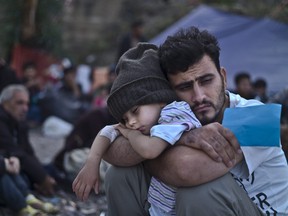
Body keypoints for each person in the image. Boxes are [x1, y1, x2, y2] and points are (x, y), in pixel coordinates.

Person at [73, 27, 288, 215]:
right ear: (170, 91)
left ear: (223, 77)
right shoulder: (174, 114)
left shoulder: (258, 118)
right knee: (121, 174)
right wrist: (184, 138)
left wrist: (153, 147)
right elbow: (112, 149)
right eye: (185, 87)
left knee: (201, 191)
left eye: (206, 81)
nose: (199, 96)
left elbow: (185, 170)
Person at [73, 43, 202, 215]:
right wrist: (92, 163)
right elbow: (108, 131)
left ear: (160, 97)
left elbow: (150, 150)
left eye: (135, 111)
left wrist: (129, 133)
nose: (131, 123)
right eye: (125, 119)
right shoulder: (144, 122)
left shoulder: (176, 113)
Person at [0, 84, 56, 196]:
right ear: (5, 104)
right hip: (5, 166)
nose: (25, 108)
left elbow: (28, 151)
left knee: (50, 169)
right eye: (19, 103)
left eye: (27, 104)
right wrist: (41, 177)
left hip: (15, 162)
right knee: (21, 180)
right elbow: (12, 149)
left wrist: (43, 175)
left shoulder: (19, 122)